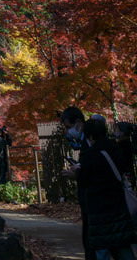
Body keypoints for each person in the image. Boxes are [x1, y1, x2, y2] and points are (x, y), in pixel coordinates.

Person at [77, 115, 136, 260]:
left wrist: (75, 174)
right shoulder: (115, 147)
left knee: (102, 249)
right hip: (117, 204)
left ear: (90, 136)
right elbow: (124, 167)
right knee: (122, 245)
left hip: (98, 207)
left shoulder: (90, 155)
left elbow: (85, 180)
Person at [60, 106, 94, 260]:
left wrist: (77, 174)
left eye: (69, 127)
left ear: (79, 122)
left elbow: (93, 170)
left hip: (93, 195)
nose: (68, 131)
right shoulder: (85, 140)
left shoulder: (91, 142)